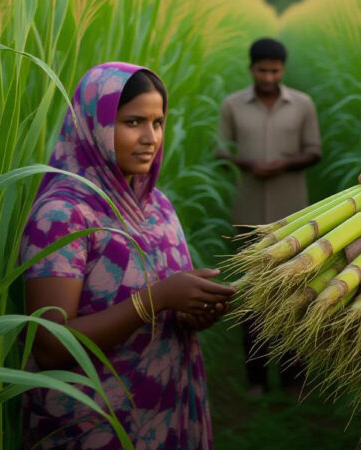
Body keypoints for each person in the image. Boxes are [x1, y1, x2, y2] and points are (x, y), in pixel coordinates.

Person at [21, 63, 235, 449]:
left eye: (158, 122)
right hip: (93, 421)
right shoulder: (62, 215)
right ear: (94, 125)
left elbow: (171, 300)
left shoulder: (157, 205)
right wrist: (159, 299)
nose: (150, 138)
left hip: (163, 410)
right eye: (133, 121)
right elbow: (51, 346)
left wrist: (193, 311)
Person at [217, 38, 321, 396]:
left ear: (283, 69)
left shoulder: (302, 105)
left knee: (294, 297)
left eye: (274, 70)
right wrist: (248, 165)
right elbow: (222, 152)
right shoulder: (232, 106)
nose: (268, 76)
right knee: (253, 301)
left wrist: (283, 165)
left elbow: (314, 152)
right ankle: (256, 380)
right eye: (262, 69)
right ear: (251, 69)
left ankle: (294, 377)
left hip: (292, 218)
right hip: (246, 216)